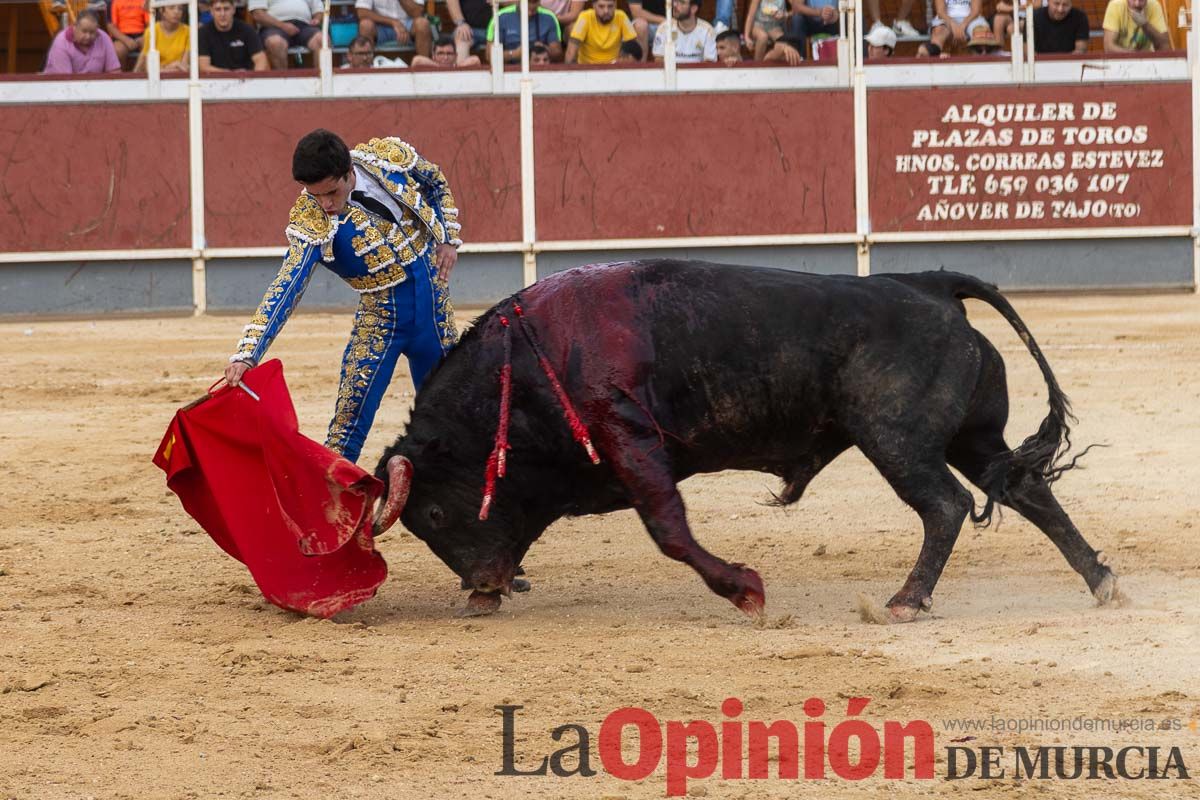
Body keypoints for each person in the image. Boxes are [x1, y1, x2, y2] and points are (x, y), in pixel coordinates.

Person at [223, 130, 463, 464]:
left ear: (349, 171)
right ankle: (332, 512)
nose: (325, 204)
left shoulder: (385, 159)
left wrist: (448, 238)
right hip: (382, 320)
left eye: (332, 192)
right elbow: (287, 285)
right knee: (346, 431)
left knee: (456, 418)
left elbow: (435, 181)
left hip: (435, 312)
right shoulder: (311, 222)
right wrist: (248, 353)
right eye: (315, 194)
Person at [248, 0, 325, 69]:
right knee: (275, 43)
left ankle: (321, 82)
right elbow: (258, 14)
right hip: (273, 26)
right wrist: (282, 25)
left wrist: (317, 19)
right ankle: (282, 81)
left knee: (322, 40)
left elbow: (318, 7)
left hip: (304, 25)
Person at [43, 9, 121, 74]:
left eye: (92, 32)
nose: (88, 36)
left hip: (95, 87)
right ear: (75, 26)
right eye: (84, 31)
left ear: (97, 28)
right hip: (62, 88)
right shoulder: (61, 42)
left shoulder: (104, 37)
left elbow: (114, 71)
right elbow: (65, 81)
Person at [199, 0, 268, 71]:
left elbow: (261, 60)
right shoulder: (203, 32)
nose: (222, 14)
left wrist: (253, 78)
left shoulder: (247, 30)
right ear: (211, 12)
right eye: (218, 9)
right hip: (215, 79)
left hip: (246, 79)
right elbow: (204, 67)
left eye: (226, 9)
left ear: (233, 10)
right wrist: (231, 74)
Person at [487, 0, 563, 62]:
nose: (532, 6)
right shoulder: (500, 18)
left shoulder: (549, 18)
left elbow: (558, 54)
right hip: (510, 71)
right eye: (529, 2)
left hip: (540, 69)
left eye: (535, 2)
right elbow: (489, 56)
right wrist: (514, 54)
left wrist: (544, 49)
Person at [355, 0, 433, 58]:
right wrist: (393, 22)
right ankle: (366, 69)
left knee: (423, 24)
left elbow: (417, 13)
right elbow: (362, 12)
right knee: (365, 25)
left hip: (408, 25)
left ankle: (424, 69)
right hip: (381, 25)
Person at [565, 0, 637, 63]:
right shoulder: (585, 17)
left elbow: (632, 48)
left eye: (610, 6)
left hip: (613, 67)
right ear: (594, 6)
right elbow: (571, 51)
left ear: (615, 5)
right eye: (601, 6)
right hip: (587, 68)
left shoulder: (621, 16)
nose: (606, 11)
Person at [651, 0, 717, 62]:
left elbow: (709, 63)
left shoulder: (708, 31)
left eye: (682, 2)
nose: (674, 5)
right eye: (675, 1)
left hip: (697, 73)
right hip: (671, 73)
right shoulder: (664, 28)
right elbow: (658, 59)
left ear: (693, 9)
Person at [133, 2, 189, 72]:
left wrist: (162, 69)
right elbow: (149, 69)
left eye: (180, 9)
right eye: (171, 8)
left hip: (179, 78)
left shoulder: (188, 31)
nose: (176, 12)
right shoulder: (152, 31)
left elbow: (184, 67)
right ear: (162, 11)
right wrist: (172, 66)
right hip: (156, 79)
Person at [1102, 0, 1168, 51]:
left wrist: (1145, 24)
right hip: (1120, 62)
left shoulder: (1154, 5)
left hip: (1146, 62)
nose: (1137, 4)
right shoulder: (1115, 5)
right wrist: (1136, 56)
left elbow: (1164, 45)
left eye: (1141, 0)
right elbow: (1109, 47)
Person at [106, 0, 148, 67]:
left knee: (151, 47)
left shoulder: (145, 1)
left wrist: (145, 36)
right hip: (122, 37)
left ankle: (145, 75)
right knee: (117, 51)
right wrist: (126, 40)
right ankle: (121, 76)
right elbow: (111, 26)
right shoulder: (113, 2)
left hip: (141, 35)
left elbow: (149, 24)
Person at [411, 33, 483, 65]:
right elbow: (417, 60)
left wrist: (454, 67)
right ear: (433, 56)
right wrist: (440, 66)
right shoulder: (430, 66)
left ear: (456, 56)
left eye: (449, 53)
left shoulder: (457, 67)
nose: (445, 58)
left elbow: (475, 60)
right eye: (440, 53)